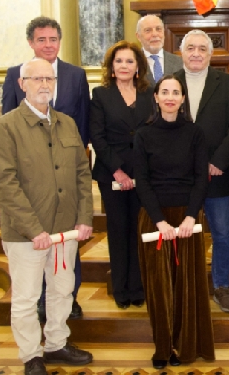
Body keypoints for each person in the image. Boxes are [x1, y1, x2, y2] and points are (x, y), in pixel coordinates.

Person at [0, 59, 94, 375]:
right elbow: (4, 184)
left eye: (49, 78)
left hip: (65, 230)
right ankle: (31, 355)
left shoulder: (67, 123)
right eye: (36, 78)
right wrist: (33, 229)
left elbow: (80, 172)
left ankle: (57, 344)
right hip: (26, 235)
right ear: (22, 84)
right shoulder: (5, 127)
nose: (44, 84)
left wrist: (85, 217)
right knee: (26, 297)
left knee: (62, 290)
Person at [1, 16, 90, 321]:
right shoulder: (15, 74)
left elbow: (84, 122)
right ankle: (40, 303)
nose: (48, 45)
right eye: (42, 40)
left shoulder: (76, 75)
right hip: (31, 183)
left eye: (53, 39)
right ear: (31, 43)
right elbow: (8, 121)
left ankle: (70, 299)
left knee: (67, 254)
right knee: (33, 258)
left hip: (67, 173)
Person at [134, 75, 214, 369]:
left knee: (186, 287)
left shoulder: (195, 133)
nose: (170, 97)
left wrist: (191, 216)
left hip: (187, 219)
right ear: (155, 97)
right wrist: (159, 221)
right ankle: (162, 347)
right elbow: (141, 181)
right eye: (164, 92)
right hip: (155, 219)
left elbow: (199, 179)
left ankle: (186, 345)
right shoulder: (143, 134)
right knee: (160, 288)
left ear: (183, 99)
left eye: (175, 92)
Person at [175, 30, 229, 313]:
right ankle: (185, 284)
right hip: (180, 176)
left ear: (210, 54)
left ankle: (221, 286)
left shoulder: (228, 84)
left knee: (221, 234)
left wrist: (218, 160)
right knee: (182, 232)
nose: (195, 53)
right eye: (190, 48)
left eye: (201, 49)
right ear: (181, 52)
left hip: (217, 173)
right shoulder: (169, 84)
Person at [89, 41, 150, 309]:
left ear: (138, 67)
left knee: (138, 230)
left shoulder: (150, 95)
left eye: (129, 61)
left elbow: (153, 134)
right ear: (111, 68)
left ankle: (138, 288)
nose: (124, 66)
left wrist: (140, 172)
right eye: (119, 61)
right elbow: (97, 138)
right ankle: (121, 289)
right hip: (111, 174)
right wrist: (118, 171)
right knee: (118, 229)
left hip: (143, 175)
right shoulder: (101, 95)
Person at [136, 14, 183, 85]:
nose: (155, 34)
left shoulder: (179, 62)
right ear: (138, 36)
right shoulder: (132, 62)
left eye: (158, 29)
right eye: (148, 30)